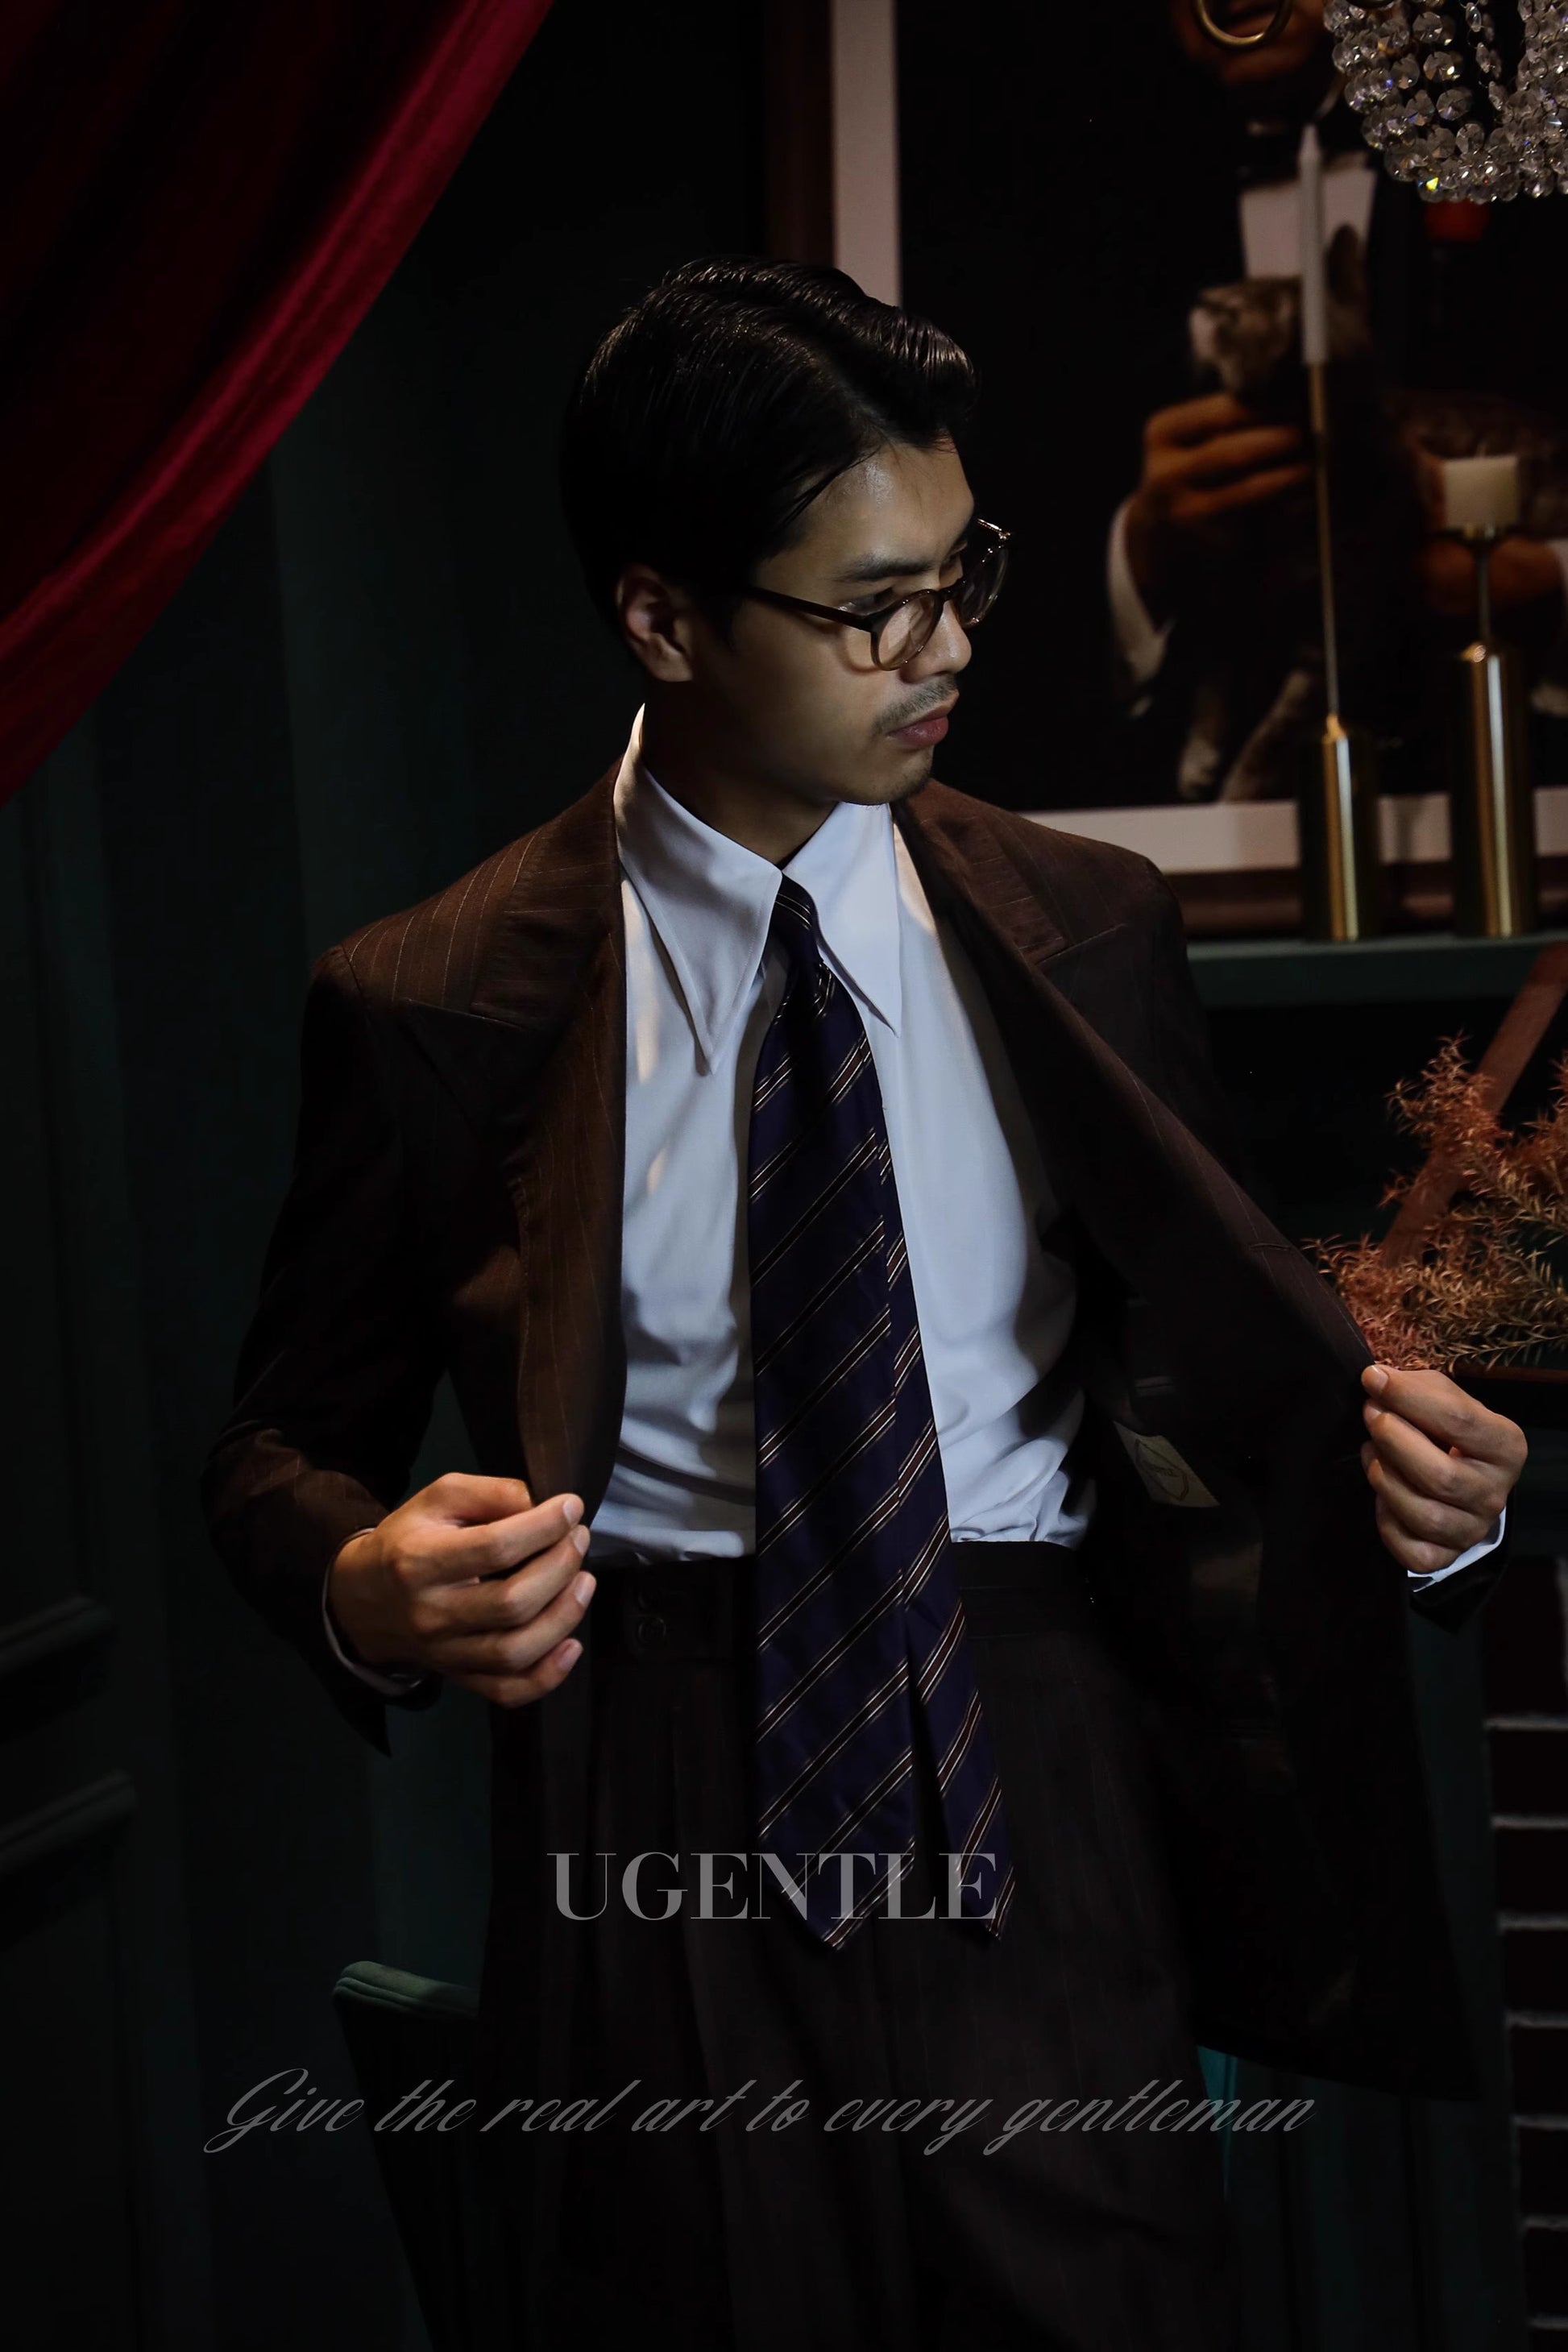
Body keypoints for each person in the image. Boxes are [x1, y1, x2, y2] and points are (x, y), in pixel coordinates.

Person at [202, 259, 1525, 2350]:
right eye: (874, 608)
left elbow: (1233, 1378)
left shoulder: (1089, 925)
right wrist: (363, 1582)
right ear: (662, 619)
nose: (951, 648)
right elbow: (278, 1441)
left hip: (1041, 1751)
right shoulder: (432, 998)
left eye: (964, 573)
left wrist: (1432, 1507)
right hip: (652, 1785)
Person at [1108, 0, 1568, 801]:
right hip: (1199, 826)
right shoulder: (1102, 199)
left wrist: (1550, 581)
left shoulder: (1524, 137)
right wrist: (1140, 558)